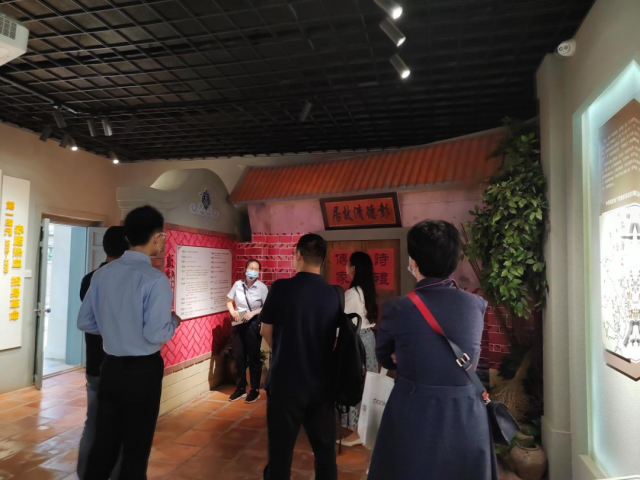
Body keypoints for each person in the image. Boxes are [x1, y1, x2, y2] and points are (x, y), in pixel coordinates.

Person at [368, 220, 497, 480]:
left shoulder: (398, 308)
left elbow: (384, 357)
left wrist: (404, 357)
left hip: (415, 413)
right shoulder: (476, 305)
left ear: (413, 262)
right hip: (466, 416)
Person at [78, 205, 181, 480]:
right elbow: (156, 334)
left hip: (110, 367)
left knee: (105, 443)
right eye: (162, 237)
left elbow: (85, 322)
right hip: (143, 371)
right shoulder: (155, 279)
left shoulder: (102, 274)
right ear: (157, 238)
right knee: (136, 447)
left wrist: (114, 329)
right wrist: (174, 322)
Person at [260, 234, 341, 480]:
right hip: (322, 386)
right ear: (323, 260)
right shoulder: (334, 294)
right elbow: (335, 340)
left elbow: (266, 331)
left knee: (280, 453)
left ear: (298, 255)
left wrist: (285, 350)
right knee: (325, 452)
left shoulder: (281, 288)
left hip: (285, 383)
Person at [77, 226, 129, 480]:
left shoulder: (89, 278)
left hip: (94, 363)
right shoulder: (124, 281)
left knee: (93, 422)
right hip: (118, 365)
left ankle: (85, 473)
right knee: (120, 425)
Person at [338, 251, 379, 447]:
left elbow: (341, 322)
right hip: (368, 339)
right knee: (367, 383)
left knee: (355, 382)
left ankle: (356, 430)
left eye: (348, 263)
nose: (345, 266)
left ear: (353, 268)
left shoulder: (352, 294)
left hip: (356, 341)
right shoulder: (367, 291)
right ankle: (365, 427)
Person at [227, 258, 269, 404]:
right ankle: (240, 388)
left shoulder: (262, 288)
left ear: (259, 272)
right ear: (245, 269)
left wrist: (253, 313)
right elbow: (229, 301)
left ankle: (254, 390)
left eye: (256, 269)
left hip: (253, 324)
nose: (253, 271)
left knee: (254, 357)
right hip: (238, 323)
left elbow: (266, 307)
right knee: (239, 356)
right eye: (251, 268)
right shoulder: (238, 285)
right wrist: (233, 312)